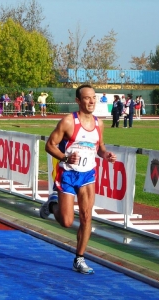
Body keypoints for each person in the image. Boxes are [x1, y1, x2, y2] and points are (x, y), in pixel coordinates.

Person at [40, 84, 116, 274]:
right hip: (67, 174)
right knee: (66, 221)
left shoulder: (99, 124)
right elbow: (50, 146)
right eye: (87, 98)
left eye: (93, 98)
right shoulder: (68, 122)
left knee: (86, 216)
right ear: (78, 101)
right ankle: (52, 205)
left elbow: (100, 147)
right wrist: (65, 157)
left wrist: (105, 154)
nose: (91, 101)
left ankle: (79, 259)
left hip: (88, 174)